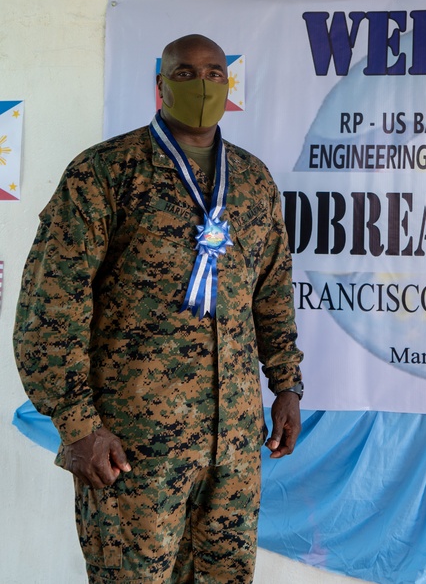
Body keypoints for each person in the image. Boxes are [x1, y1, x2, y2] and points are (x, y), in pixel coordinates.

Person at [13, 34, 304, 583]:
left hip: (233, 447)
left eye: (215, 73)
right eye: (186, 73)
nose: (202, 84)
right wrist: (77, 424)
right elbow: (50, 308)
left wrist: (286, 385)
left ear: (229, 85)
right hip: (133, 446)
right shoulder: (104, 173)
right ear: (160, 87)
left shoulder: (253, 182)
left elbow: (272, 292)